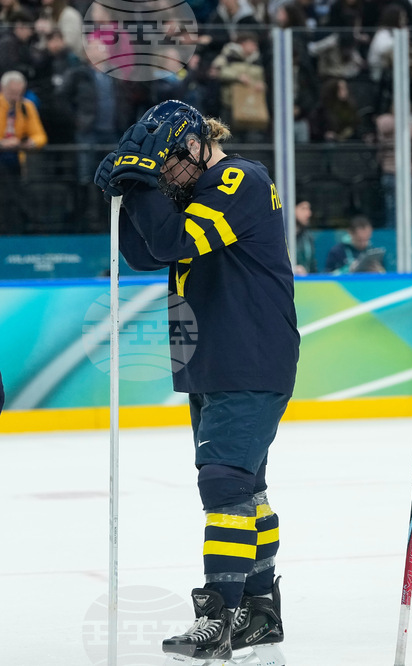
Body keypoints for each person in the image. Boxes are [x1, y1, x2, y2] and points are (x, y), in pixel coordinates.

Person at [93, 100, 299, 662]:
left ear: (194, 144)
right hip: (215, 356)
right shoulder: (197, 189)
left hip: (248, 352)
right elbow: (143, 254)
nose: (165, 175)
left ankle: (218, 615)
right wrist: (124, 192)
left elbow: (170, 243)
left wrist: (141, 185)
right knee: (246, 488)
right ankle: (260, 611)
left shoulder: (239, 179)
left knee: (223, 482)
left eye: (167, 164)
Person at [0, 70, 47, 234]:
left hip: (17, 159)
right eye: (12, 92)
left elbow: (40, 135)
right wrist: (3, 143)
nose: (16, 96)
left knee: (17, 196)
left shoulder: (26, 106)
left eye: (19, 92)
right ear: (3, 88)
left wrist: (27, 143)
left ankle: (16, 230)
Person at [293, 199, 316, 275]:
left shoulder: (307, 236)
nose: (308, 213)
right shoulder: (281, 235)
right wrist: (292, 268)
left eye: (309, 209)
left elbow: (312, 266)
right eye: (303, 208)